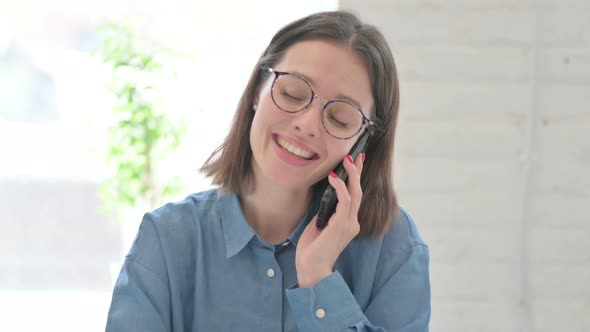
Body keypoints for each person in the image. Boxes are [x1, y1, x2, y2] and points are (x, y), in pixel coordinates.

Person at [106, 10, 430, 332]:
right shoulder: (167, 240)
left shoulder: (394, 248)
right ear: (256, 92)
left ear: (363, 142)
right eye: (292, 93)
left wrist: (318, 277)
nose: (307, 125)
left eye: (340, 118)